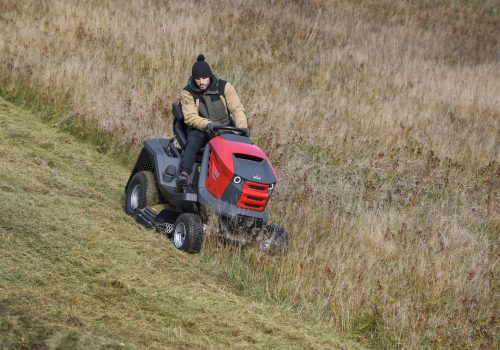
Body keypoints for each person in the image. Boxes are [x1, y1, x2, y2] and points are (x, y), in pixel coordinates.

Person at [176, 54, 250, 190]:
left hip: (225, 128)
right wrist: (208, 124)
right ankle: (184, 173)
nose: (201, 82)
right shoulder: (188, 93)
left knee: (243, 148)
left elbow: (237, 109)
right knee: (193, 139)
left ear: (209, 76)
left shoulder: (225, 87)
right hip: (201, 128)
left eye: (204, 78)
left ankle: (239, 184)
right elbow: (190, 117)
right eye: (198, 79)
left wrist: (242, 127)